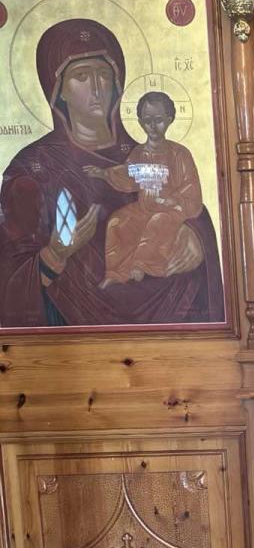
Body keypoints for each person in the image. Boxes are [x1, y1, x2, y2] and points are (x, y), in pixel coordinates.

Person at [0, 18, 224, 326]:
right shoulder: (33, 168)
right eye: (81, 76)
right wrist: (54, 255)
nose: (97, 88)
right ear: (58, 89)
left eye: (104, 75)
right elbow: (10, 275)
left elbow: (188, 199)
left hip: (171, 332)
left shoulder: (148, 154)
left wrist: (197, 237)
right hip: (70, 335)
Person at [88, 91, 204, 288]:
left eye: (158, 120)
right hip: (143, 208)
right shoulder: (139, 152)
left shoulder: (179, 154)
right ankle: (114, 272)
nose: (152, 126)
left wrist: (174, 199)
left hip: (170, 211)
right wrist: (104, 174)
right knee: (116, 222)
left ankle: (139, 265)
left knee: (157, 221)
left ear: (169, 120)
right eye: (147, 120)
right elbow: (128, 175)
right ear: (141, 122)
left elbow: (190, 186)